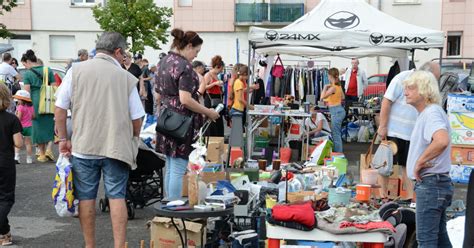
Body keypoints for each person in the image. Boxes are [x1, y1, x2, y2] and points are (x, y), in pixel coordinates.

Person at [54, 32, 145, 248]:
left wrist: (64, 139)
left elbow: (60, 109)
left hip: (84, 146)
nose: (125, 59)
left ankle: (90, 245)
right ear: (117, 52)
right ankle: (119, 245)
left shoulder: (75, 71)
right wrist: (132, 136)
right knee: (116, 197)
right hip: (115, 147)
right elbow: (137, 118)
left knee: (86, 198)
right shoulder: (125, 77)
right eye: (124, 55)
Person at [155, 28, 219, 200]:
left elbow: (157, 94)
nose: (195, 56)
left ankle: (168, 206)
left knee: (170, 165)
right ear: (189, 46)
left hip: (166, 117)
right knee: (178, 167)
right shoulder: (184, 66)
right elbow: (185, 99)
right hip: (181, 121)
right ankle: (173, 208)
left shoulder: (163, 62)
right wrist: (208, 112)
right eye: (196, 51)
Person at [377, 62, 441, 200]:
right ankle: (382, 197)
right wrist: (383, 126)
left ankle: (411, 198)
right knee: (386, 164)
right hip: (393, 130)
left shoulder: (425, 86)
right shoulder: (402, 78)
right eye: (433, 78)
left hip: (413, 133)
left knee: (408, 166)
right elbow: (386, 101)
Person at [404, 70, 453, 247]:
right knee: (439, 238)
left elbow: (441, 140)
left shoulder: (431, 113)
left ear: (424, 90)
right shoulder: (430, 112)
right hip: (436, 183)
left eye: (410, 88)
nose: (405, 92)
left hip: (432, 184)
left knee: (426, 241)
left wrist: (419, 162)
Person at [21, 50, 56, 163]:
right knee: (49, 125)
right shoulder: (48, 70)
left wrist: (24, 107)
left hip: (35, 102)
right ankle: (49, 150)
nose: (25, 67)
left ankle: (41, 154)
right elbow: (55, 87)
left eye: (24, 64)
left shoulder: (28, 74)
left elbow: (26, 92)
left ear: (27, 61)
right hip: (48, 101)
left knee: (38, 127)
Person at [0, 83, 23, 246]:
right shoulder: (11, 119)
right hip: (5, 162)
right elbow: (18, 143)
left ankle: (5, 233)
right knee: (6, 198)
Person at [321, 68, 346, 152]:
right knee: (336, 133)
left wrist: (325, 87)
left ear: (330, 76)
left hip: (336, 111)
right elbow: (342, 97)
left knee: (336, 134)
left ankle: (338, 154)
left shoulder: (333, 88)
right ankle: (338, 153)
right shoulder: (338, 86)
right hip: (339, 110)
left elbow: (322, 97)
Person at [203, 55, 225, 136]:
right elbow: (204, 87)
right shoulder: (208, 75)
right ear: (216, 67)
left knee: (218, 120)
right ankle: (212, 138)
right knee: (212, 120)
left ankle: (218, 138)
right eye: (220, 69)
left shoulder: (217, 75)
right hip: (210, 99)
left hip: (217, 98)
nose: (221, 71)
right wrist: (215, 83)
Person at [13, 90, 34, 164]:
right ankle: (29, 159)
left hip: (20, 127)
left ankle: (16, 157)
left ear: (23, 100)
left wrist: (15, 116)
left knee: (17, 142)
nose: (17, 100)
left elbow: (19, 118)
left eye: (18, 99)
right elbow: (33, 116)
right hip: (29, 127)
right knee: (28, 144)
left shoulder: (20, 107)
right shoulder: (31, 107)